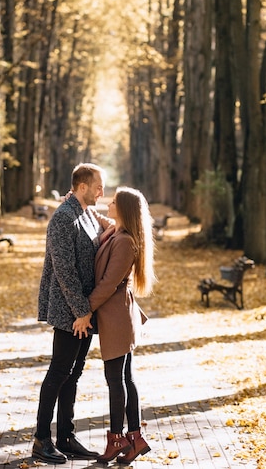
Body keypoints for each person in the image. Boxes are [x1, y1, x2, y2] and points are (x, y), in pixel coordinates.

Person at [32, 163, 114, 464]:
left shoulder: (85, 212)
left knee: (74, 373)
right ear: (82, 187)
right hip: (69, 309)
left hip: (84, 312)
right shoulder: (63, 219)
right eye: (98, 186)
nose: (102, 192)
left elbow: (108, 224)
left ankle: (66, 436)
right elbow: (64, 271)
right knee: (58, 372)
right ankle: (42, 440)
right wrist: (81, 312)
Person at [73, 186, 156, 464]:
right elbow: (106, 221)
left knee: (115, 381)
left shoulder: (124, 242)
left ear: (125, 210)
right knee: (125, 379)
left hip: (117, 318)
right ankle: (135, 438)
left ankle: (117, 439)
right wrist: (81, 205)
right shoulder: (117, 231)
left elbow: (108, 284)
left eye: (114, 202)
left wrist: (85, 311)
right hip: (118, 316)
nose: (108, 204)